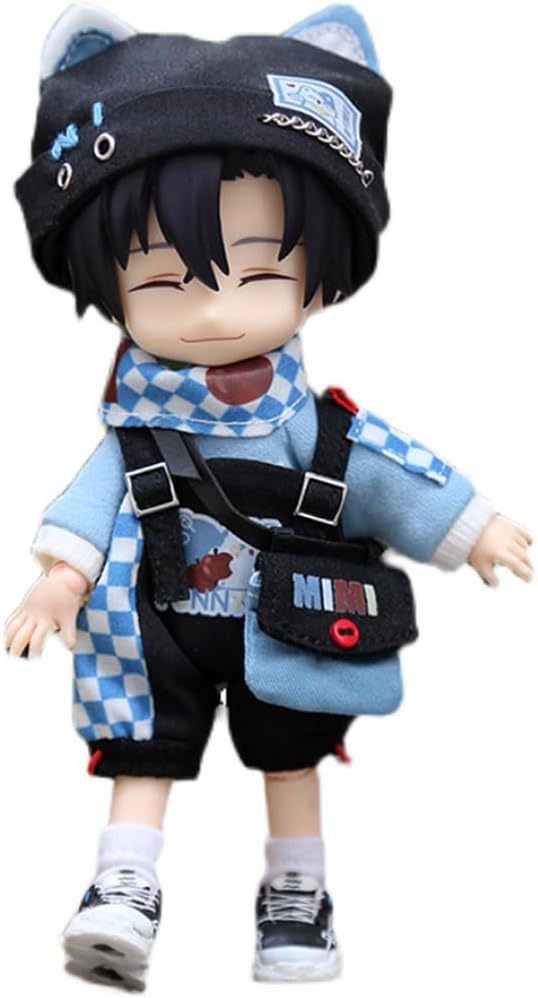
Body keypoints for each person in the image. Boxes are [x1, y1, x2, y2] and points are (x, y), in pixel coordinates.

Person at [5, 3, 532, 989]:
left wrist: (471, 528)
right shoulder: (132, 427)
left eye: (258, 272)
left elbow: (378, 467)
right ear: (105, 281)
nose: (214, 309)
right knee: (142, 747)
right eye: (163, 280)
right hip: (151, 621)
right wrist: (57, 582)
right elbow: (89, 503)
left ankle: (297, 892)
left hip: (289, 614)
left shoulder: (306, 422)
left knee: (291, 756)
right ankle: (123, 884)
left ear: (319, 280)